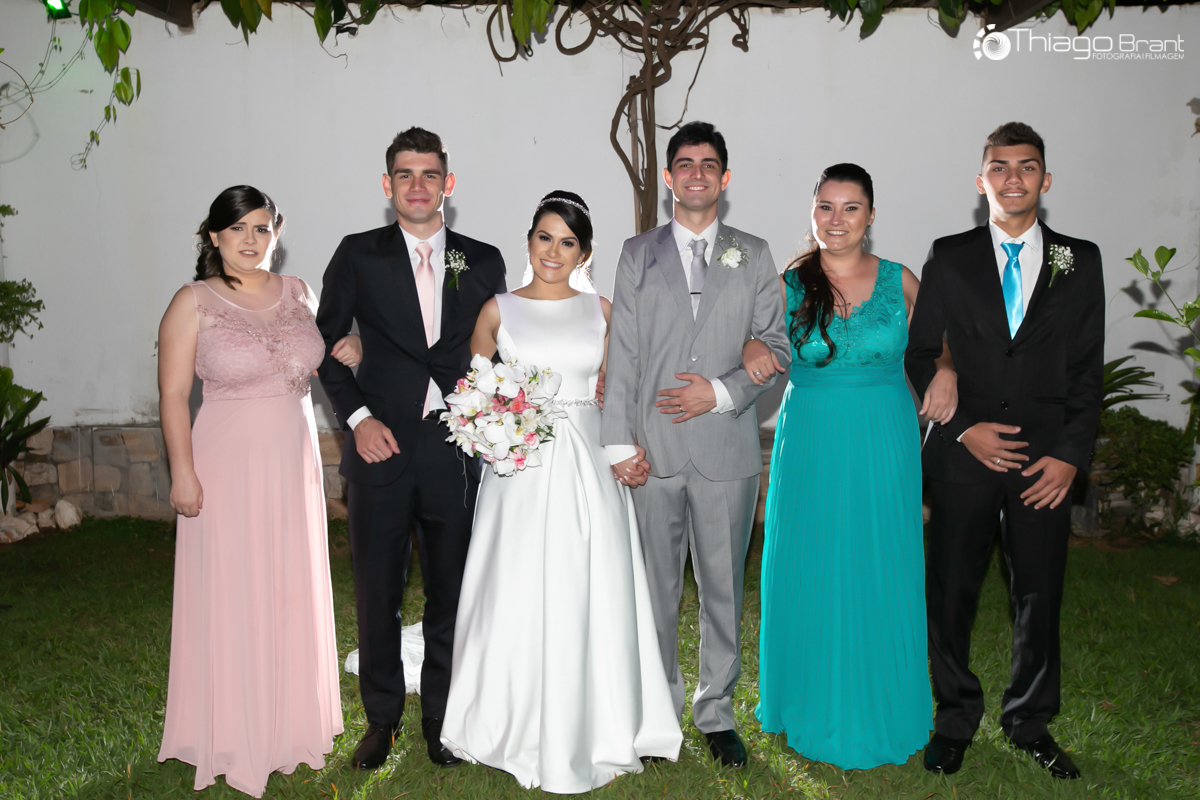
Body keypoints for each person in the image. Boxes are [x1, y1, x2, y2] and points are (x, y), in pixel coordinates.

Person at [424, 191, 681, 792]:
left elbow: (620, 390)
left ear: (584, 253)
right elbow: (474, 392)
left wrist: (624, 442)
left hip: (588, 464)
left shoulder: (603, 311)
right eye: (545, 237)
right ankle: (506, 715)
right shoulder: (498, 311)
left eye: (568, 242)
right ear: (529, 241)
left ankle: (605, 716)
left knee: (593, 580)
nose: (554, 251)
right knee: (515, 583)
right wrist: (496, 426)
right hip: (520, 469)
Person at [905, 122, 1104, 779]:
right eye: (1000, 166)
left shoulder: (1081, 260)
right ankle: (955, 718)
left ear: (1045, 179)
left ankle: (1030, 721)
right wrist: (965, 425)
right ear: (981, 180)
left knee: (1039, 593)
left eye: (1026, 166)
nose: (1012, 177)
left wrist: (1071, 456)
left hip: (1045, 461)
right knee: (950, 591)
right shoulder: (949, 256)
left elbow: (1087, 368)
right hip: (964, 452)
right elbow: (921, 352)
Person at [743, 164, 956, 769]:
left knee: (879, 557)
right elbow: (753, 340)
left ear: (870, 215)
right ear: (812, 212)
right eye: (826, 207)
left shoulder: (900, 278)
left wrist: (946, 369)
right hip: (811, 436)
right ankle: (805, 698)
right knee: (812, 559)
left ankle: (882, 700)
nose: (836, 220)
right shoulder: (787, 283)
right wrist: (752, 344)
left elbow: (939, 341)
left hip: (884, 436)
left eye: (851, 207)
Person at [315, 127, 508, 771]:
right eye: (405, 174)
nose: (417, 186)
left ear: (448, 183)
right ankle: (381, 719)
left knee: (452, 590)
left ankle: (441, 719)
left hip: (455, 447)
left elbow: (499, 349)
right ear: (387, 184)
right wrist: (359, 418)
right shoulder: (358, 255)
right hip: (382, 445)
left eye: (429, 174)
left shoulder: (483, 261)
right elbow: (323, 347)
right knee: (378, 589)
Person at [600, 121, 791, 769]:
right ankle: (658, 711)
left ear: (724, 178)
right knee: (654, 590)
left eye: (709, 164)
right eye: (685, 163)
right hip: (651, 452)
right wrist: (617, 442)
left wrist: (721, 392)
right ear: (669, 178)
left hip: (726, 451)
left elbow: (777, 347)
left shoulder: (753, 254)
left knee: (722, 589)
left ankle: (715, 712)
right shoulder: (637, 254)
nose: (697, 174)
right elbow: (623, 354)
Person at [157, 186, 343, 797]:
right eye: (237, 228)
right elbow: (172, 395)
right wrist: (182, 472)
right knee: (234, 589)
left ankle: (291, 725)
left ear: (276, 234)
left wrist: (354, 346)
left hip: (293, 465)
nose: (250, 239)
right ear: (214, 236)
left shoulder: (299, 293)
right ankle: (234, 732)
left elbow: (324, 358)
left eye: (262, 228)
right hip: (226, 467)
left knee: (288, 585)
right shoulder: (192, 302)